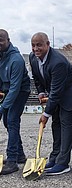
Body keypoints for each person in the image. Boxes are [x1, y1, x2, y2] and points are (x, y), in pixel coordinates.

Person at [29, 32, 72, 176]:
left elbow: (56, 92)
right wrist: (41, 92)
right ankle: (54, 158)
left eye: (39, 45)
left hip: (70, 93)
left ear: (48, 44)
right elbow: (36, 77)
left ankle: (63, 163)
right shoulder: (33, 57)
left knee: (66, 126)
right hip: (56, 91)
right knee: (56, 124)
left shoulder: (57, 62)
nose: (36, 49)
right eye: (33, 45)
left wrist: (46, 114)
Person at [0, 29, 30, 175]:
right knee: (7, 121)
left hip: (20, 91)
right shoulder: (1, 57)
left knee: (12, 120)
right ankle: (20, 155)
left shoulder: (16, 59)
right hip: (7, 90)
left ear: (8, 40)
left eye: (1, 40)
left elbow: (15, 88)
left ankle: (12, 161)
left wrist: (2, 107)